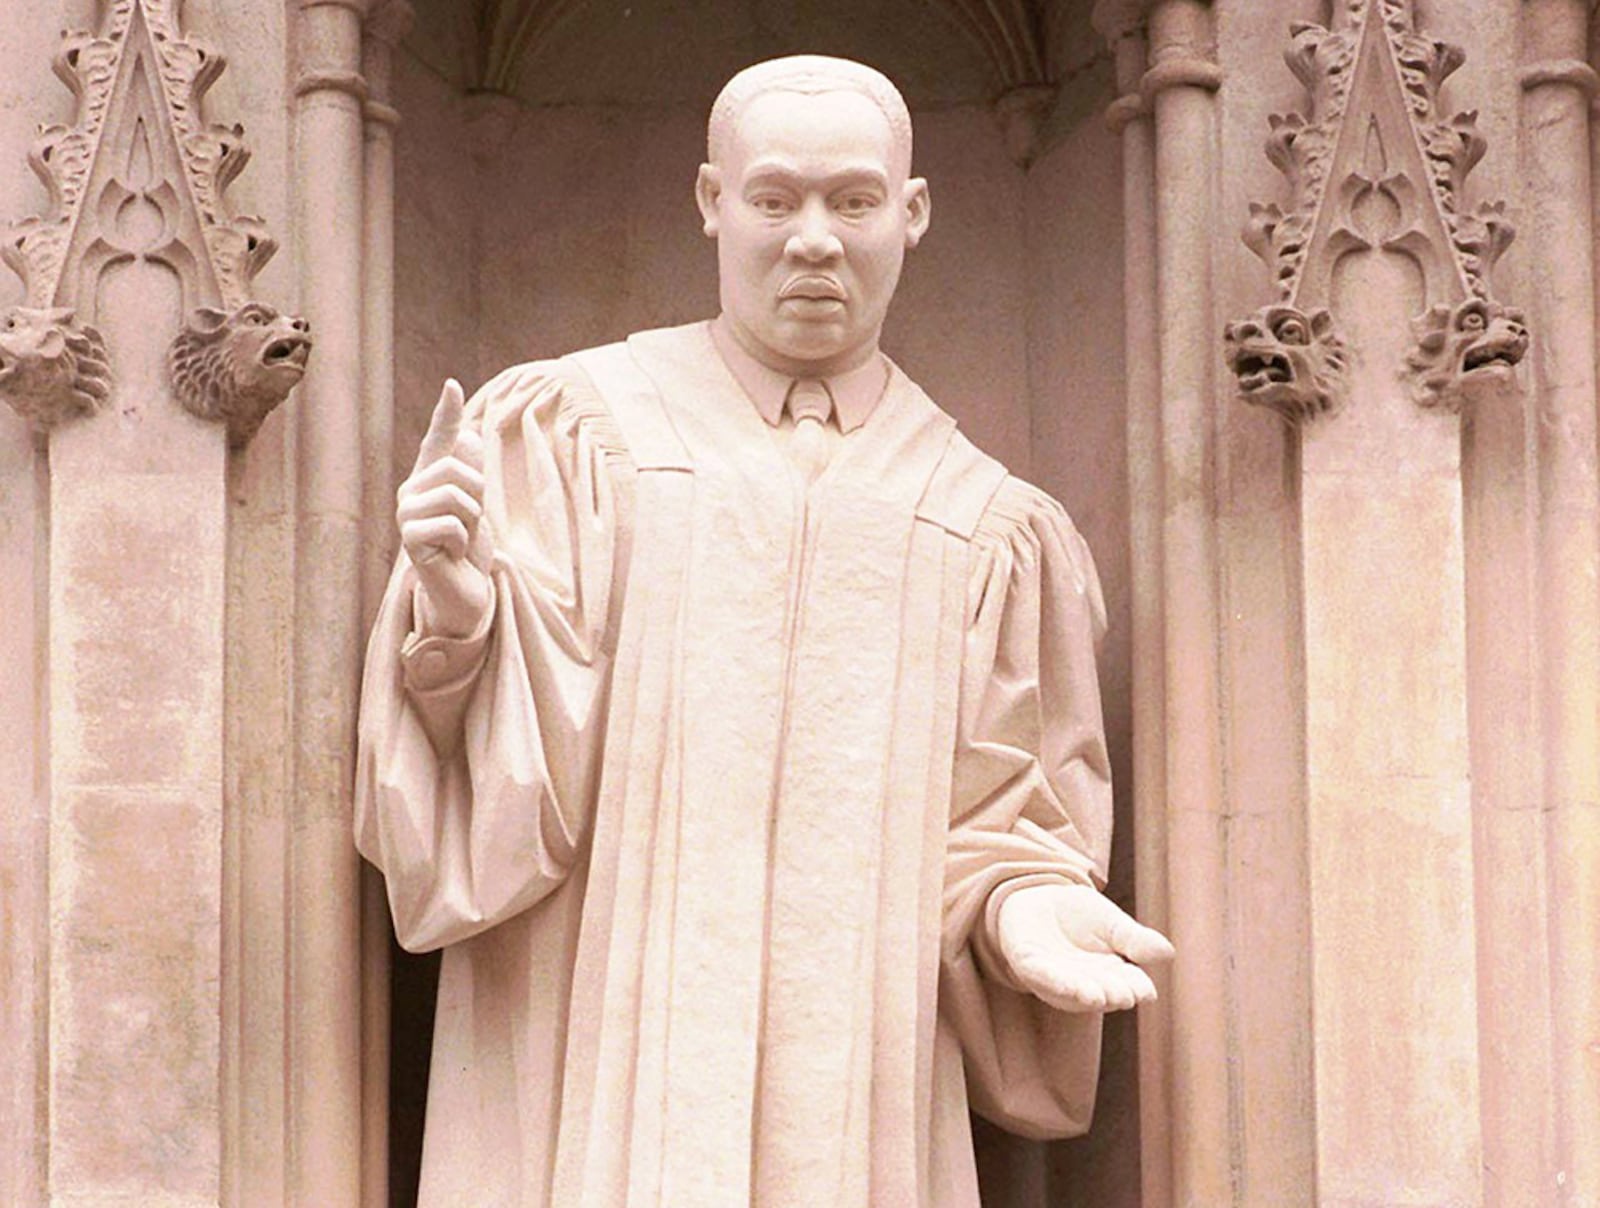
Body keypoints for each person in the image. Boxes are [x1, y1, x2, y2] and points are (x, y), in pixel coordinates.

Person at [356, 53, 1173, 1208]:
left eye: (853, 200)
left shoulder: (988, 523)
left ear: (913, 210)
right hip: (595, 1072)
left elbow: (1000, 812)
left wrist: (1020, 900)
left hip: (857, 1086)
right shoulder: (567, 435)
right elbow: (478, 809)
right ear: (711, 202)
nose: (813, 239)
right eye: (774, 197)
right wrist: (456, 627)